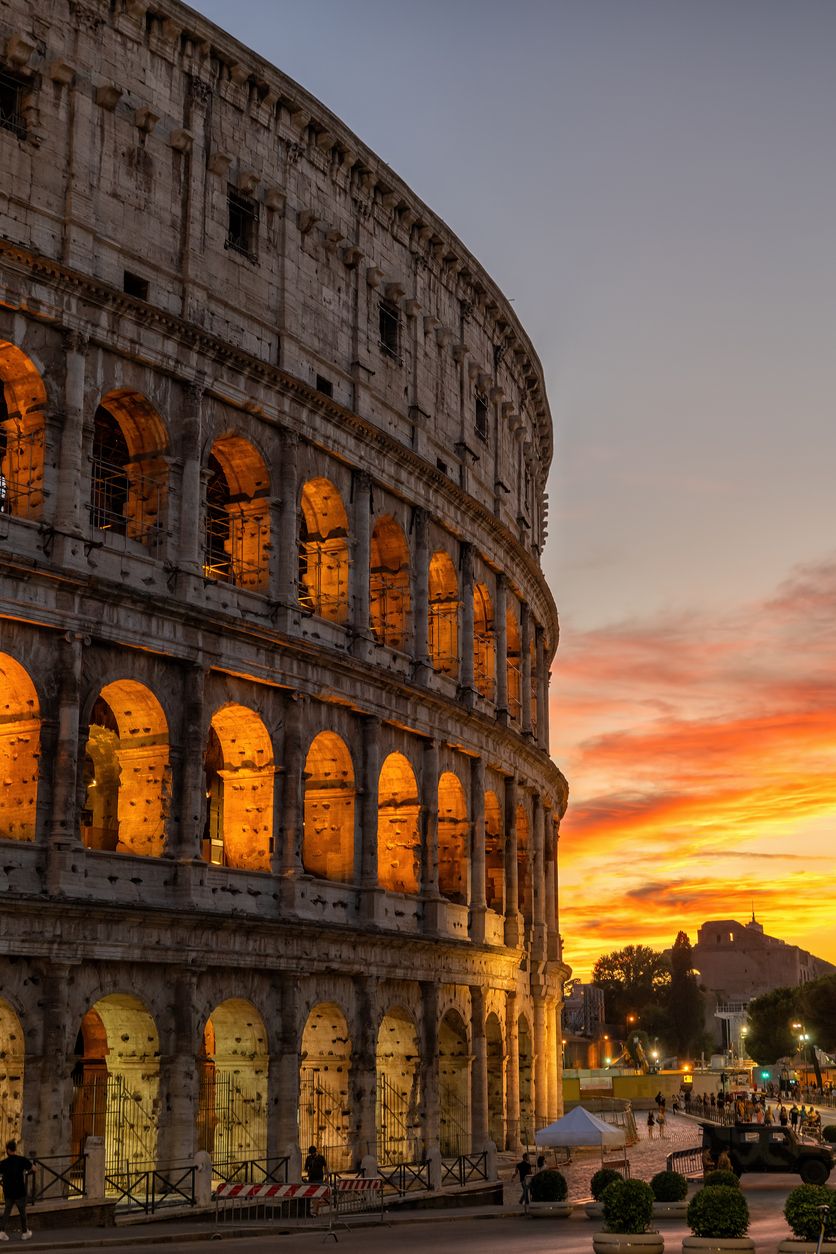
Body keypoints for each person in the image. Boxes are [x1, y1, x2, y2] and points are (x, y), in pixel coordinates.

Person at [0, 1139, 34, 1242]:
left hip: (8, 1192)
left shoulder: (4, 1163)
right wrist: (27, 1172)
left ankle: (1, 1232)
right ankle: (24, 1233)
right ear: (15, 1149)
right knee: (22, 1213)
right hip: (20, 1191)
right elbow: (34, 1169)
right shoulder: (22, 1160)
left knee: (7, 1212)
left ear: (8, 1150)